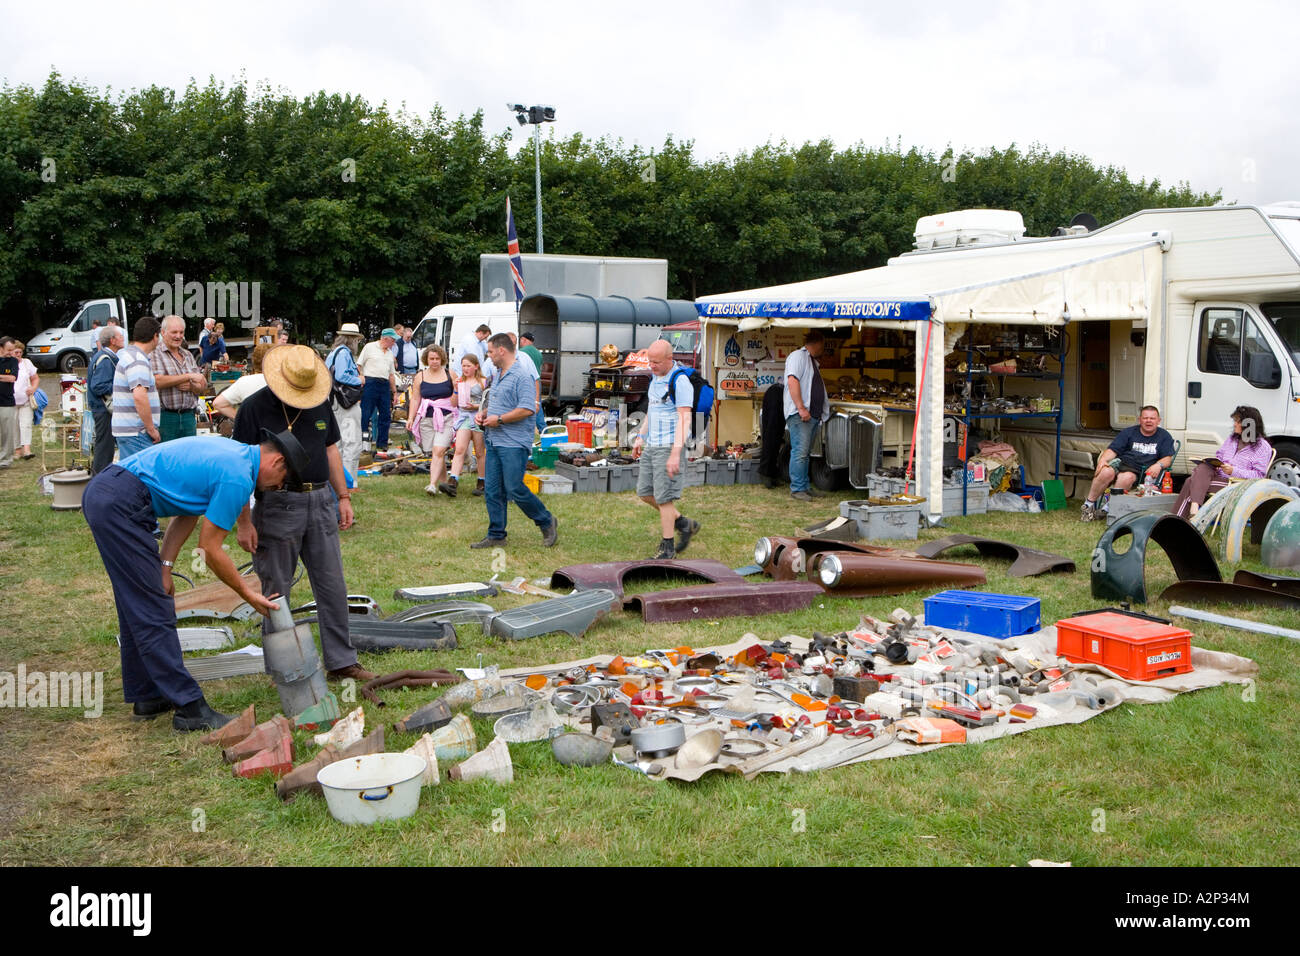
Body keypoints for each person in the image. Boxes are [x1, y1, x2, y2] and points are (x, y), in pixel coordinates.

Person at [83, 432, 299, 730]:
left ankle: (148, 695)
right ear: (277, 461)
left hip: (110, 492)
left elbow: (186, 510)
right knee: (153, 609)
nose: (277, 486)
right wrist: (248, 595)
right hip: (120, 500)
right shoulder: (237, 476)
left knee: (138, 601)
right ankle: (190, 708)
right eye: (282, 479)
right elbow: (210, 549)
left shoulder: (235, 454)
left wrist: (165, 565)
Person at [232, 345, 373, 682]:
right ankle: (283, 667)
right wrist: (244, 520)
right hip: (277, 504)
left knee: (332, 584)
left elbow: (331, 449)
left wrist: (343, 496)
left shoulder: (319, 400)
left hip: (321, 500)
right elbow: (238, 466)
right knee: (277, 588)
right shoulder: (254, 408)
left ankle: (341, 662)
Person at [472, 333, 558, 549]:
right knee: (493, 490)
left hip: (513, 442)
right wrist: (484, 413)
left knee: (514, 488)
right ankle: (496, 534)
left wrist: (499, 419)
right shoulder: (499, 374)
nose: (489, 356)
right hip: (494, 441)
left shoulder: (522, 375)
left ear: (502, 350)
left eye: (490, 351)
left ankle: (546, 520)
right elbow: (499, 403)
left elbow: (528, 408)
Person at [632, 339, 701, 559]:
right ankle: (683, 523)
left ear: (669, 359)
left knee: (664, 498)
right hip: (652, 443)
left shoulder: (680, 381)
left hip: (669, 444)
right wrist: (640, 437)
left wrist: (674, 453)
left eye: (656, 362)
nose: (651, 366)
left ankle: (667, 547)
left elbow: (685, 419)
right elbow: (652, 410)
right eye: (649, 361)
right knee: (645, 493)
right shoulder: (655, 377)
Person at [1173, 406, 1273, 518]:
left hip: (1237, 484)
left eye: (1237, 421)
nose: (1234, 424)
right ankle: (1193, 511)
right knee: (1203, 467)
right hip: (1219, 476)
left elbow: (1259, 476)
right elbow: (1219, 456)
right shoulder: (1232, 440)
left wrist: (1233, 471)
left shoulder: (1262, 447)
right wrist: (1215, 464)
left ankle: (1183, 517)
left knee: (1190, 481)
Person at [1081, 405, 1176, 521]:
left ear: (1158, 421)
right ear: (1139, 419)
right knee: (1105, 471)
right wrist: (1103, 460)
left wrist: (1158, 465)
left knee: (1126, 477)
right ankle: (1088, 506)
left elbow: (1168, 458)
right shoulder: (1129, 432)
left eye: (1152, 418)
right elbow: (1113, 450)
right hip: (1123, 462)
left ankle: (1107, 508)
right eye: (1145, 418)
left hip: (1141, 471)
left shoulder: (1164, 436)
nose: (1148, 421)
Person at [784, 330, 830, 502]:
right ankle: (797, 489)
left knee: (805, 453)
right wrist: (801, 407)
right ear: (817, 343)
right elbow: (792, 380)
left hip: (811, 415)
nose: (823, 349)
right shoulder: (798, 356)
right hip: (801, 414)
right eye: (823, 345)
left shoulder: (811, 361)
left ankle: (804, 486)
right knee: (800, 452)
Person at [407, 345, 457, 495]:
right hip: (426, 418)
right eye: (431, 359)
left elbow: (456, 397)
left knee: (438, 450)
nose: (434, 361)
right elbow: (415, 399)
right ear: (426, 360)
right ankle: (444, 483)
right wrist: (411, 418)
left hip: (446, 417)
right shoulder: (420, 376)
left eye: (437, 358)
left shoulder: (450, 374)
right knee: (434, 452)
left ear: (442, 359)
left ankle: (432, 485)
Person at [112, 317, 163, 460]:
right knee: (139, 478)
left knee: (130, 477)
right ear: (155, 336)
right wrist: (151, 428)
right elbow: (140, 396)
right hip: (137, 432)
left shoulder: (131, 356)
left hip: (130, 431)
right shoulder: (138, 361)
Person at [150, 315, 207, 442]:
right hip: (166, 417)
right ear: (163, 333)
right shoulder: (155, 353)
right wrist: (188, 376)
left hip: (189, 416)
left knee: (188, 457)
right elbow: (157, 381)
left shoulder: (187, 355)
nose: (178, 336)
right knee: (167, 458)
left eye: (181, 332)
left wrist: (192, 387)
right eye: (174, 332)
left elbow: (203, 385)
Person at [439, 353, 487, 497]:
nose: (465, 369)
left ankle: (482, 481)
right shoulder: (460, 381)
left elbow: (488, 403)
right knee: (459, 449)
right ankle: (453, 481)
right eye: (463, 366)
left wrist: (476, 407)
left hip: (478, 417)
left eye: (468, 366)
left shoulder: (483, 382)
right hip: (464, 418)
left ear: (476, 366)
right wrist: (455, 389)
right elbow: (453, 403)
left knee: (479, 452)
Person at [326, 323, 365, 483]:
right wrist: (359, 379)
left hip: (335, 402)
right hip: (345, 404)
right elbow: (341, 376)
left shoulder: (333, 353)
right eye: (356, 340)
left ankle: (336, 481)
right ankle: (349, 482)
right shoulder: (344, 354)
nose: (357, 343)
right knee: (352, 442)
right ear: (352, 339)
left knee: (339, 444)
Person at [88, 325, 124, 473]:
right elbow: (98, 386)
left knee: (105, 445)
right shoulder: (105, 359)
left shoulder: (104, 356)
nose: (123, 339)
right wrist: (120, 386)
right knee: (104, 447)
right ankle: (98, 480)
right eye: (120, 336)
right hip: (103, 409)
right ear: (112, 340)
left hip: (101, 408)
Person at [358, 328, 398, 453]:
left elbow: (391, 375)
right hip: (370, 383)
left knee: (385, 415)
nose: (394, 343)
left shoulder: (390, 354)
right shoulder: (369, 347)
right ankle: (362, 442)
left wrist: (395, 392)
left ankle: (382, 443)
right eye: (393, 341)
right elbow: (359, 365)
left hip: (384, 384)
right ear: (386, 339)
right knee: (365, 414)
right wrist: (362, 377)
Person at [212, 343, 272, 420]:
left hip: (252, 429)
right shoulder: (280, 382)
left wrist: (242, 419)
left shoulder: (244, 381)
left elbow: (218, 403)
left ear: (253, 360)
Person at [9, 340, 39, 460]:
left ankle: (27, 449)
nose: (18, 354)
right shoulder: (6, 363)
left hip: (26, 401)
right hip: (10, 401)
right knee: (14, 426)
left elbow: (35, 378)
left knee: (26, 425)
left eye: (20, 352)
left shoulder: (27, 363)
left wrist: (33, 388)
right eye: (16, 352)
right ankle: (17, 450)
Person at [519, 331, 547, 433]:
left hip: (526, 381)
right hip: (537, 382)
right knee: (537, 406)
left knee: (523, 405)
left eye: (521, 340)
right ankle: (543, 430)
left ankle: (524, 430)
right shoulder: (538, 353)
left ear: (524, 339)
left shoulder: (522, 352)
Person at [0, 336, 18, 469]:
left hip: (7, 401)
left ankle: (6, 459)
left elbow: (12, 378)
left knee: (7, 431)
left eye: (12, 350)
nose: (11, 352)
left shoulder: (13, 361)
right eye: (8, 350)